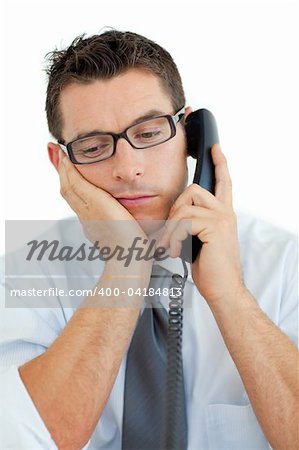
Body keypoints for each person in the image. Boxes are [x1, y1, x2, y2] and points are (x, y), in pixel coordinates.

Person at [0, 30, 297, 450]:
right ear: (60, 163)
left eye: (149, 132)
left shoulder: (286, 264)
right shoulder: (20, 275)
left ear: (191, 135)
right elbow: (21, 441)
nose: (128, 167)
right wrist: (127, 266)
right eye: (94, 145)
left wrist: (230, 296)